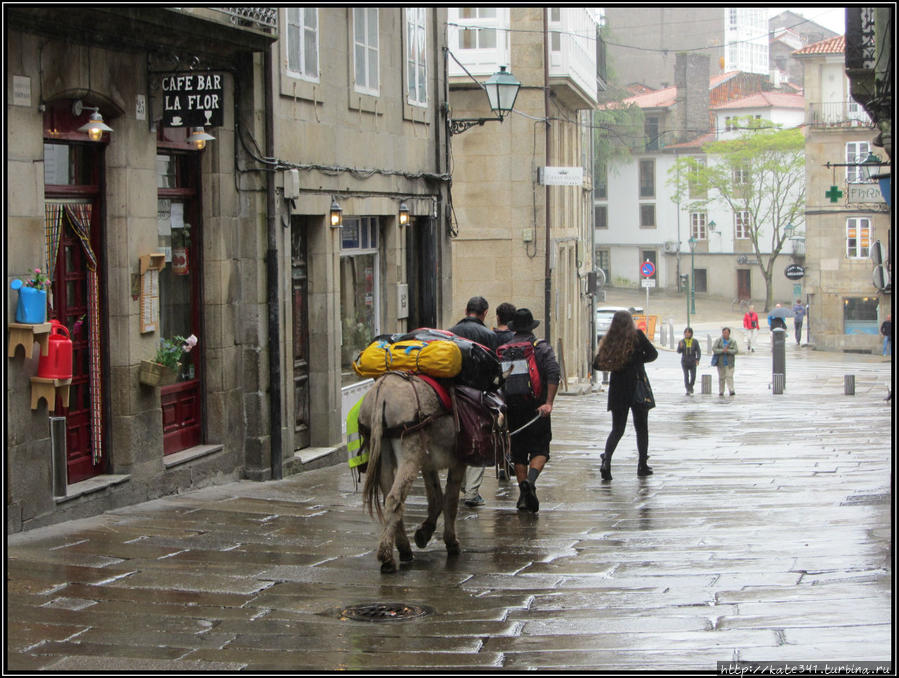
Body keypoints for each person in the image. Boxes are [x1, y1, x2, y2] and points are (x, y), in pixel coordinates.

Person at [503, 308, 560, 513]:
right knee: (540, 449)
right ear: (532, 327)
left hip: (513, 407)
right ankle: (531, 482)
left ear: (514, 328)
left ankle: (522, 494)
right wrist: (548, 402)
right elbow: (554, 373)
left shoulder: (505, 348)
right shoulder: (541, 347)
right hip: (537, 407)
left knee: (519, 453)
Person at [593, 310, 658, 481]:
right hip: (637, 386)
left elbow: (597, 363)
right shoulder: (637, 336)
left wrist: (614, 364)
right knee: (641, 428)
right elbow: (653, 354)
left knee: (617, 429)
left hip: (618, 388)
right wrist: (637, 360)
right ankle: (642, 465)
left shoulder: (611, 339)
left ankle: (606, 460)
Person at [448, 296, 499, 508]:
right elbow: (495, 367)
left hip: (452, 393)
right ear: (485, 313)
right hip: (477, 395)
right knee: (479, 440)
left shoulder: (451, 333)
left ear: (466, 310)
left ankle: (460, 485)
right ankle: (471, 491)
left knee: (456, 440)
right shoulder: (489, 335)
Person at [712, 327, 739, 396]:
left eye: (727, 333)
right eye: (724, 333)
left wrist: (728, 351)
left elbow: (736, 350)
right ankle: (721, 391)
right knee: (721, 378)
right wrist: (722, 350)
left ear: (729, 333)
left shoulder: (733, 341)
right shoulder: (718, 340)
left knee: (729, 377)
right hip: (720, 363)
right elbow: (714, 349)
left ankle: (731, 390)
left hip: (730, 363)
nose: (725, 334)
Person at [677, 327, 701, 395]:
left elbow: (698, 351)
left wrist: (698, 359)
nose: (687, 334)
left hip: (693, 361)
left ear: (691, 334)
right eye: (686, 333)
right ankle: (688, 389)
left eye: (688, 333)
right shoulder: (682, 341)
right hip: (684, 361)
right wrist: (680, 347)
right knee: (686, 376)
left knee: (693, 376)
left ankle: (691, 386)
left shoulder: (695, 341)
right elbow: (678, 351)